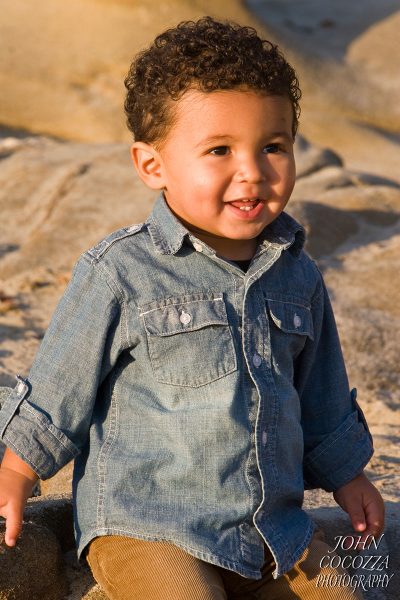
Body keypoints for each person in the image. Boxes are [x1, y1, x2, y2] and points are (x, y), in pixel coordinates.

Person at [0, 16, 384, 600]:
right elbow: (59, 389)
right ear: (153, 165)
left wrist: (348, 475)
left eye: (274, 146)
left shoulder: (298, 275)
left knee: (346, 592)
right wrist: (17, 472)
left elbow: (323, 394)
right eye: (219, 150)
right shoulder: (121, 272)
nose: (252, 171)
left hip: (270, 531)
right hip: (147, 526)